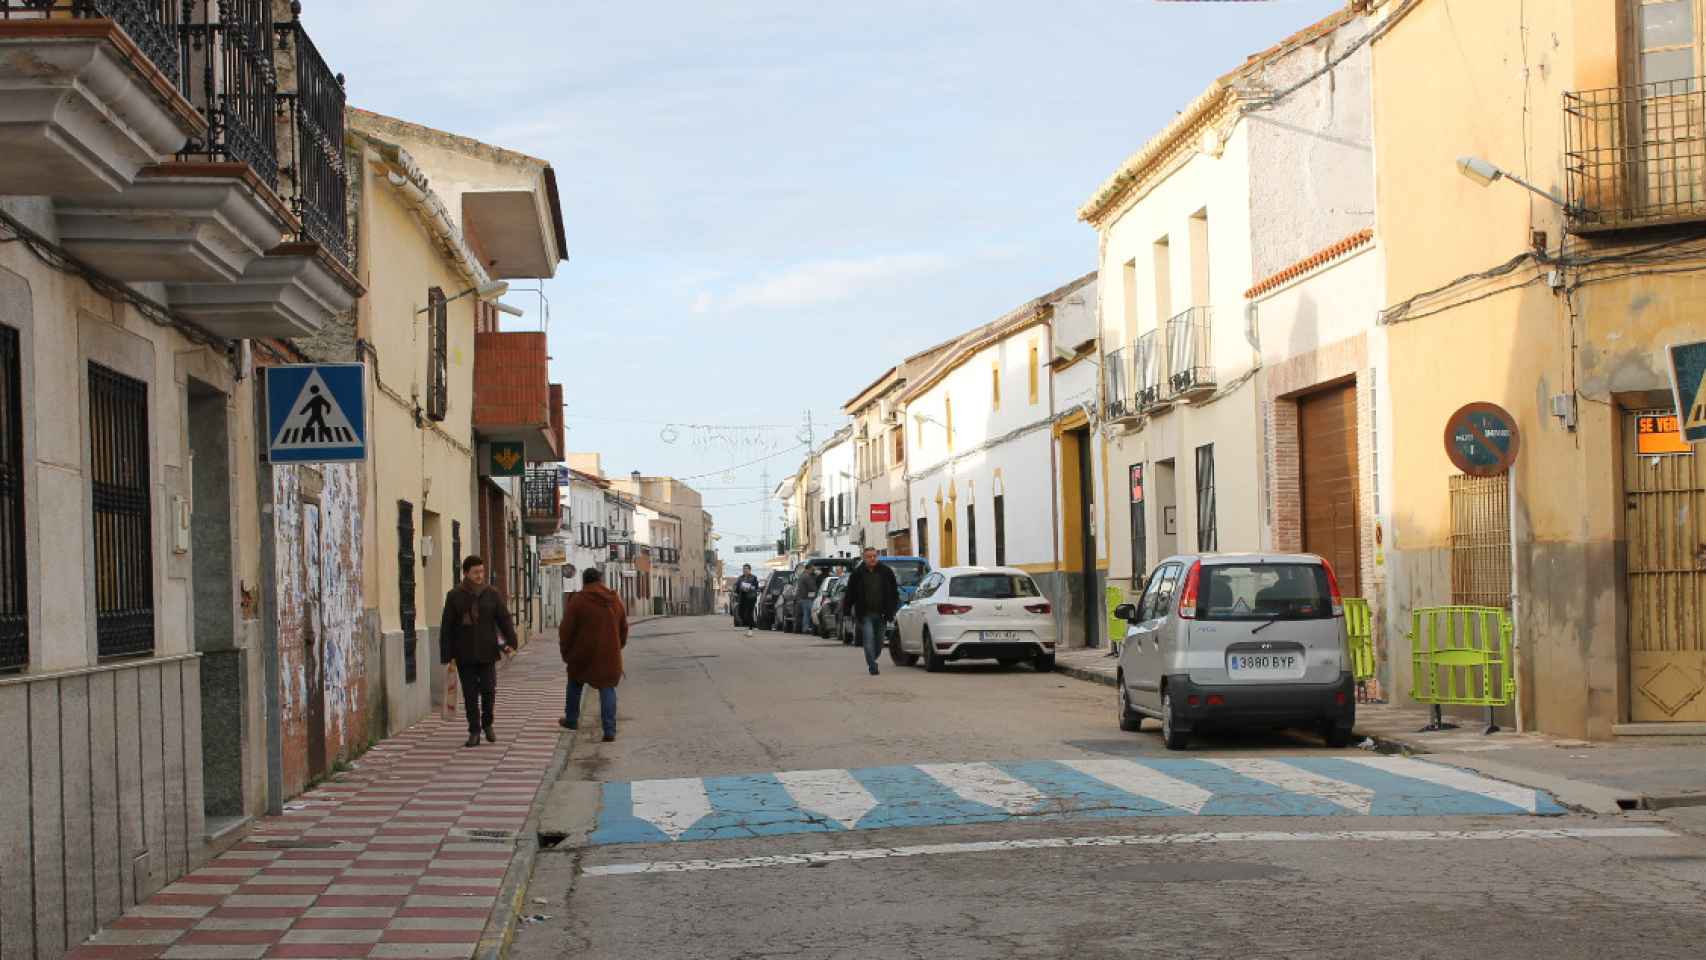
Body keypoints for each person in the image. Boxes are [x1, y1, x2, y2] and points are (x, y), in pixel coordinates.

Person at [439, 555, 517, 748]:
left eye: (481, 571)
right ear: (466, 573)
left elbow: (504, 619)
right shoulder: (454, 595)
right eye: (475, 572)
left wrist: (511, 642)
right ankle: (474, 730)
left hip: (488, 650)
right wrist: (447, 654)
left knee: (489, 690)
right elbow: (446, 627)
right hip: (464, 652)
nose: (480, 575)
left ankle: (487, 723)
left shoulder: (492, 593)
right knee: (470, 694)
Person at [559, 566, 628, 742]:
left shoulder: (577, 601)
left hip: (581, 653)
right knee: (607, 688)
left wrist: (566, 652)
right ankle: (609, 730)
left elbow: (566, 630)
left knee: (574, 683)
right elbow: (623, 627)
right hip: (608, 654)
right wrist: (617, 646)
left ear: (584, 582)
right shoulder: (614, 600)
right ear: (600, 580)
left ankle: (572, 719)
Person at [840, 547, 899, 676]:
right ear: (864, 558)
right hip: (865, 614)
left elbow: (894, 592)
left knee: (879, 643)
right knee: (868, 641)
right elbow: (850, 594)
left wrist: (893, 608)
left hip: (882, 614)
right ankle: (872, 666)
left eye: (874, 556)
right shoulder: (857, 574)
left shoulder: (886, 572)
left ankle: (873, 658)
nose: (872, 559)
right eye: (869, 557)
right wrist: (846, 611)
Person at [734, 564, 760, 634]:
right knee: (740, 613)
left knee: (749, 613)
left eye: (746, 569)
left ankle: (751, 629)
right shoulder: (740, 578)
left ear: (749, 570)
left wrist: (749, 587)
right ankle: (752, 625)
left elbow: (756, 587)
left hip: (751, 597)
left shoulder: (753, 577)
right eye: (743, 569)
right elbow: (737, 586)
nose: (745, 570)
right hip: (742, 597)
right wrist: (736, 592)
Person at [794, 565, 818, 635]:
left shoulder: (802, 576)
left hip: (801, 597)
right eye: (812, 570)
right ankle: (806, 628)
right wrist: (816, 591)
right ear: (808, 569)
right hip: (806, 598)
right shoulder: (807, 577)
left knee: (805, 613)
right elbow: (812, 587)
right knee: (808, 614)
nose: (812, 571)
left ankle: (805, 628)